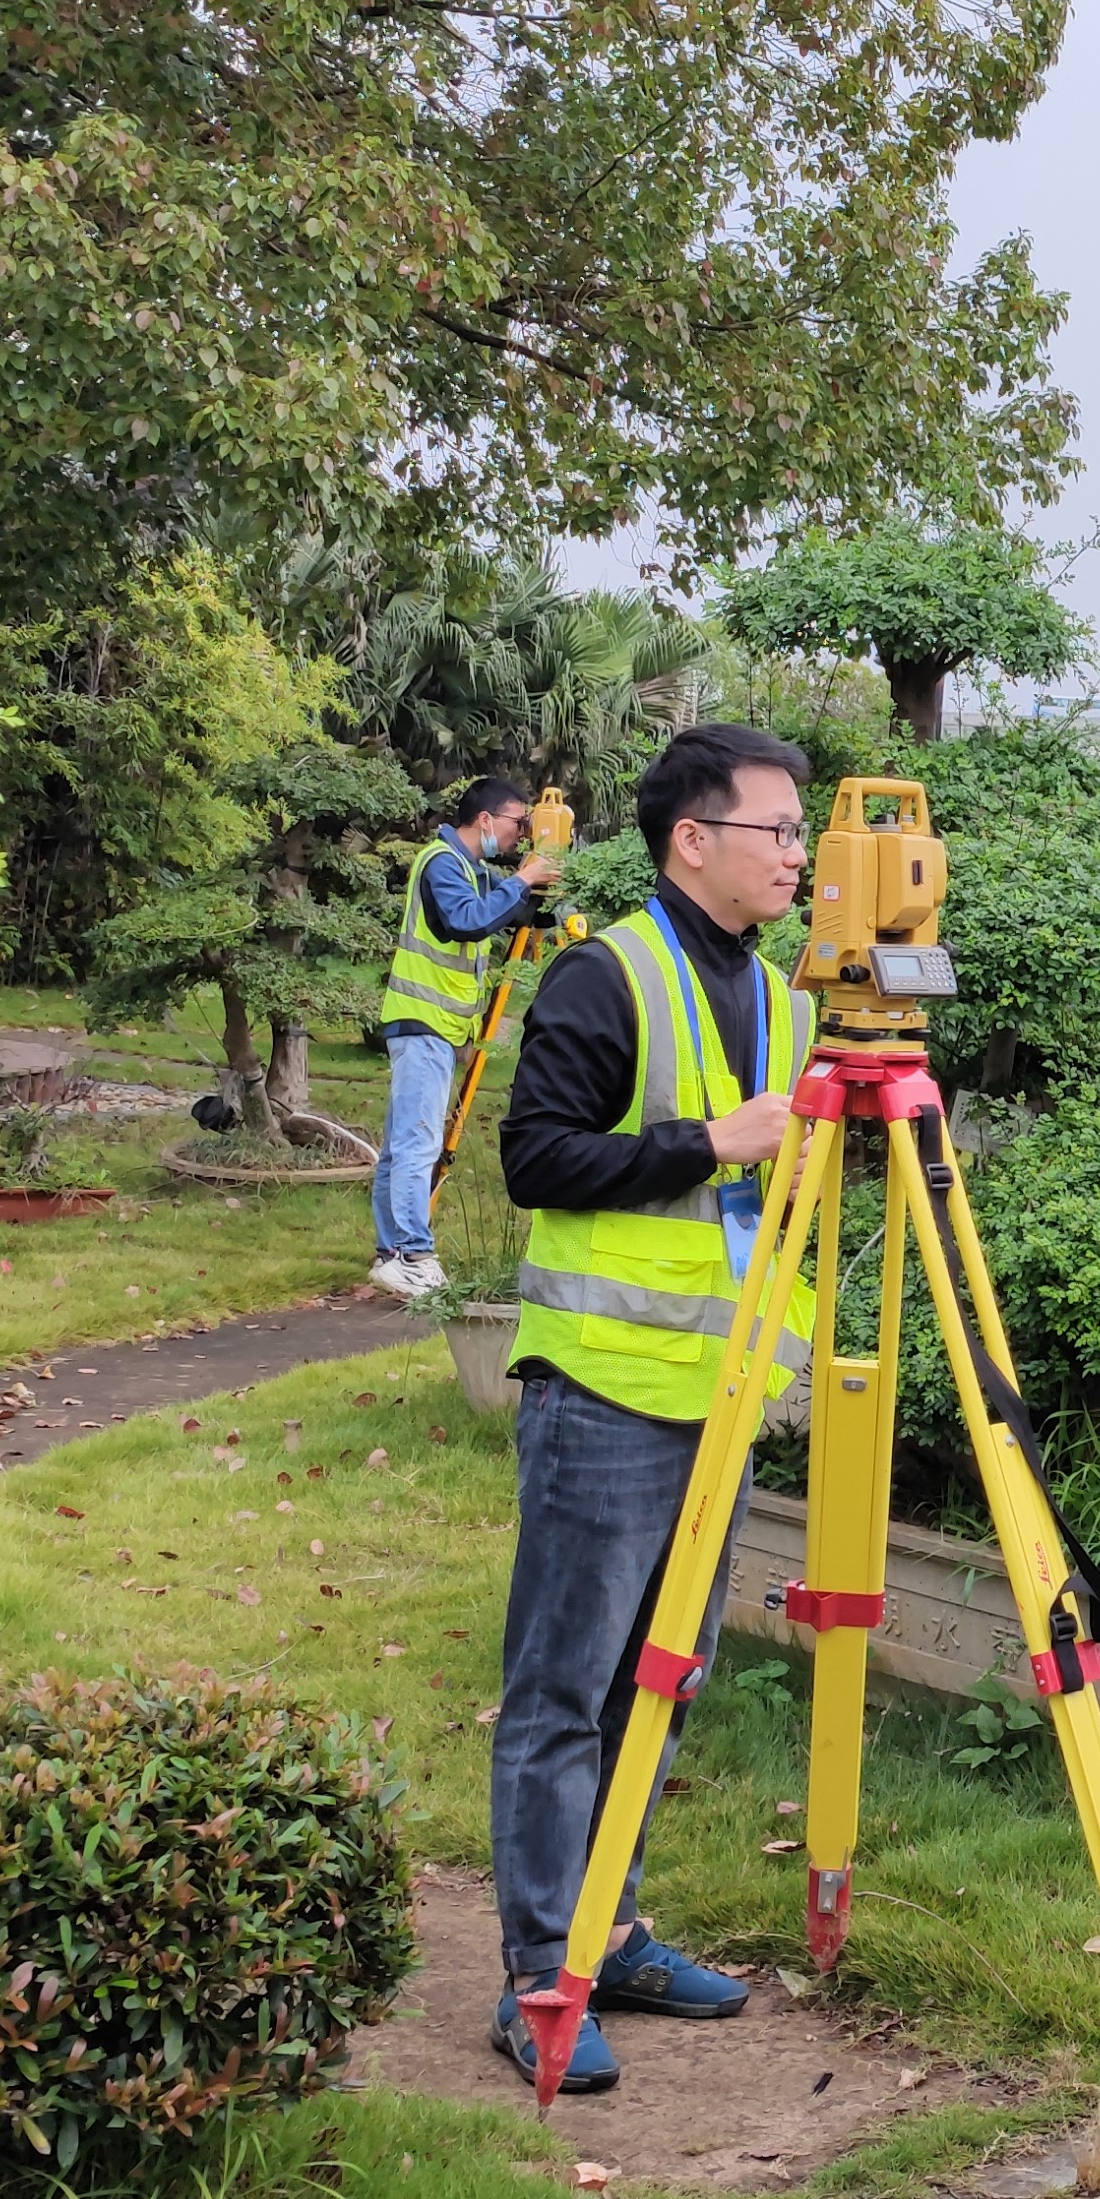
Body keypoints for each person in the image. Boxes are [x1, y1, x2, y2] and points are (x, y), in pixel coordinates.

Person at [482, 723, 818, 2090]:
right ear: (693, 839)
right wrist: (707, 1142)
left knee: (658, 1680)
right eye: (776, 831)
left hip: (719, 1401)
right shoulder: (606, 973)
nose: (798, 855)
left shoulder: (786, 998)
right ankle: (538, 1975)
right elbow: (534, 1158)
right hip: (606, 1393)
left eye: (801, 833)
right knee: (562, 1692)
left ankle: (607, 1935)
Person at [367, 777, 562, 1300]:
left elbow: (501, 915)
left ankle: (392, 1254)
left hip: (436, 1026)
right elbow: (466, 922)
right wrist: (522, 880)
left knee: (402, 1145)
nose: (522, 833)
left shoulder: (471, 870)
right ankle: (414, 1255)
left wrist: (533, 896)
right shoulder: (441, 864)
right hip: (423, 1022)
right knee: (418, 1143)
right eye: (518, 822)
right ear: (485, 820)